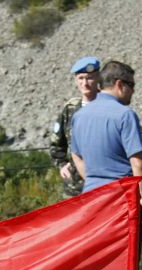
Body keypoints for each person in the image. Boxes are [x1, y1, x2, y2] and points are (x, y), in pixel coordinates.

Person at [70, 60, 142, 216]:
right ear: (119, 84)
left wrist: (94, 182)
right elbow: (138, 163)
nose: (133, 91)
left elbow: (76, 155)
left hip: (91, 199)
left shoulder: (79, 116)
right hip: (122, 200)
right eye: (131, 85)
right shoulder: (125, 115)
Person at [49, 56, 100, 198]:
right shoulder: (70, 109)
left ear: (98, 78)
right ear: (75, 80)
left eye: (90, 78)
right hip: (75, 189)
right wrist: (62, 164)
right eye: (81, 78)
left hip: (104, 186)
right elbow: (56, 144)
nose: (85, 83)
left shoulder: (109, 107)